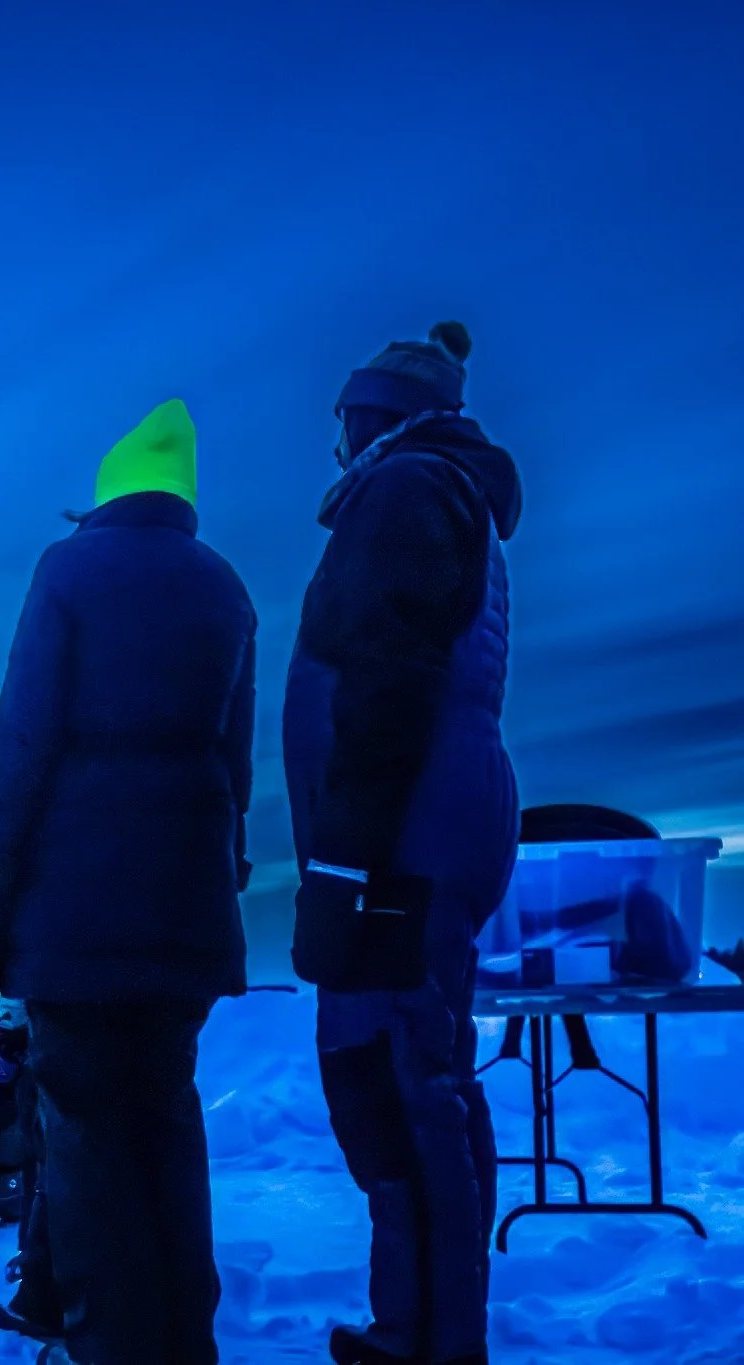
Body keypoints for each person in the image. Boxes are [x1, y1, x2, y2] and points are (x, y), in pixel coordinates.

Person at [0, 398, 257, 1365]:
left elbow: (21, 739)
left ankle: (112, 1344)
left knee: (87, 1139)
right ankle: (181, 1341)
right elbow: (236, 764)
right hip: (185, 908)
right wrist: (219, 875)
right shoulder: (224, 586)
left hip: (74, 909)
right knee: (164, 1125)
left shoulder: (70, 570)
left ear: (106, 495)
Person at [283, 323, 522, 1365]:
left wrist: (344, 860)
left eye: (344, 419)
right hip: (428, 821)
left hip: (401, 834)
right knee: (419, 1074)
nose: (336, 442)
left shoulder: (407, 488)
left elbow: (387, 681)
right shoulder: (440, 492)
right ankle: (422, 1326)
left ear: (374, 415)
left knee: (390, 1077)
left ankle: (428, 1341)